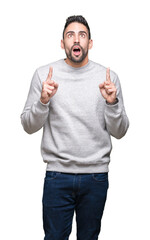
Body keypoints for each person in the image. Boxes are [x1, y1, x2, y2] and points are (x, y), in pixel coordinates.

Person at [20, 15, 129, 240]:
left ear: (90, 43)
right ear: (63, 43)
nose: (76, 40)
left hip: (96, 176)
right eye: (70, 35)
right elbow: (28, 126)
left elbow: (120, 131)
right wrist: (43, 101)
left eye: (82, 35)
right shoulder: (44, 75)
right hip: (57, 176)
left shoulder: (108, 78)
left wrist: (112, 103)